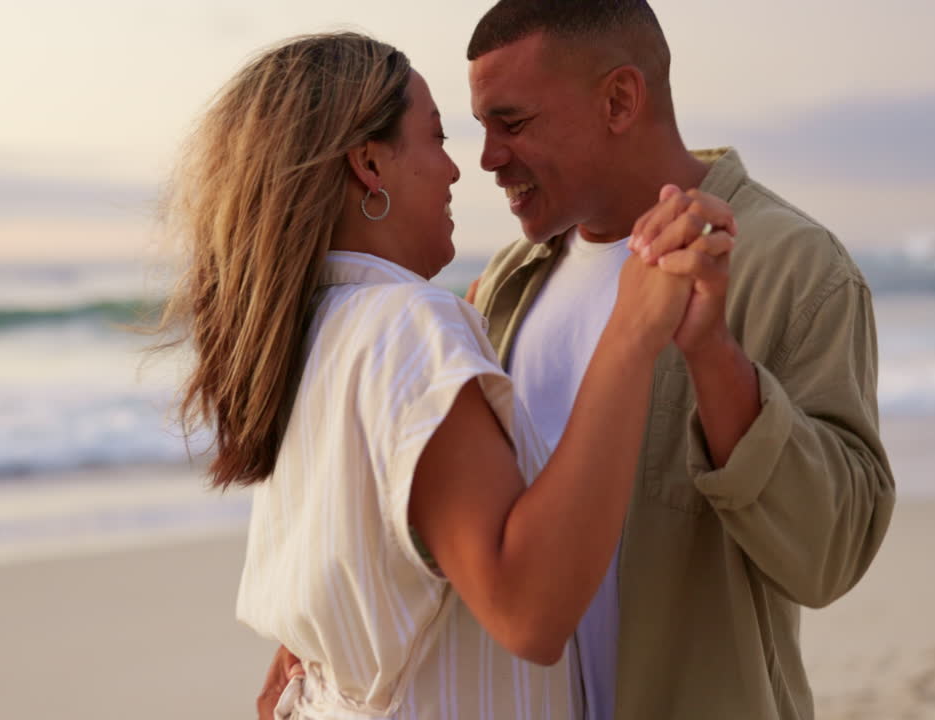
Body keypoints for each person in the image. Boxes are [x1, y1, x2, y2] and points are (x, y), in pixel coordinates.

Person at [260, 2, 897, 719]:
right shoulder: (501, 284)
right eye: (479, 128)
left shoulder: (791, 267)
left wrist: (712, 355)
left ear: (620, 100)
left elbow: (831, 557)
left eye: (514, 123)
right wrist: (325, 633)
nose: (488, 159)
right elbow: (442, 517)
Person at [155, 32, 736, 720]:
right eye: (434, 139)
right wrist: (632, 334)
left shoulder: (310, 331)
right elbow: (529, 611)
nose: (460, 170)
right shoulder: (407, 325)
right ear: (369, 164)